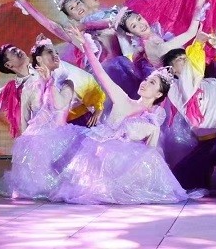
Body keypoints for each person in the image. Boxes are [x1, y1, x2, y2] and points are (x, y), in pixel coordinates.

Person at [49, 27, 193, 204]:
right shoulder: (123, 99)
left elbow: (151, 155)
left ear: (158, 94)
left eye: (151, 83)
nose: (145, 83)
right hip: (100, 155)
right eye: (146, 80)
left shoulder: (153, 119)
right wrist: (86, 45)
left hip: (125, 169)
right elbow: (100, 73)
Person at [0, 41, 89, 199]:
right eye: (50, 52)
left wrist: (50, 82)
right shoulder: (30, 86)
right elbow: (24, 119)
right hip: (36, 143)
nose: (56, 55)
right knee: (36, 187)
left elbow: (60, 105)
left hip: (60, 139)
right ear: (39, 59)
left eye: (56, 52)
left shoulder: (66, 83)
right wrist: (23, 150)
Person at [162, 37, 216, 191]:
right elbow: (189, 82)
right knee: (180, 181)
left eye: (187, 57)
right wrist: (198, 44)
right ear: (172, 70)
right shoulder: (176, 89)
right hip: (206, 143)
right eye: (180, 59)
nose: (186, 60)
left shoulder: (215, 82)